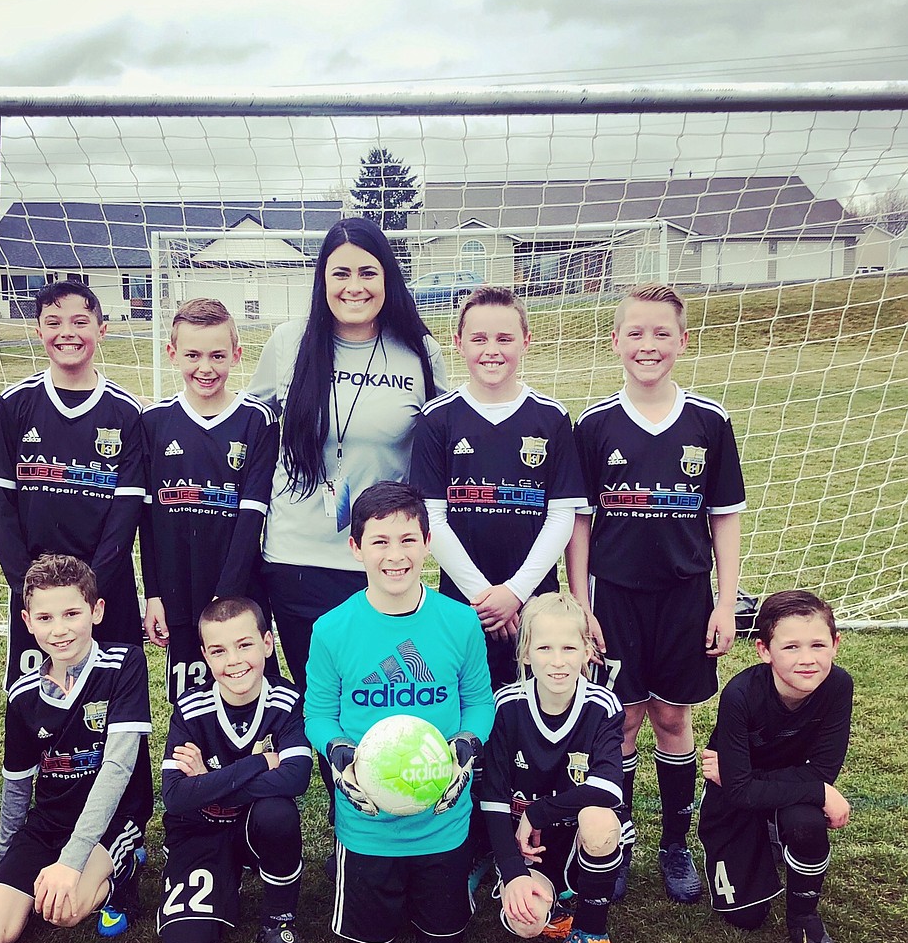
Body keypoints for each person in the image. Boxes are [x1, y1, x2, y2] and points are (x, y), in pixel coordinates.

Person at [566, 282, 745, 904]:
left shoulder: (709, 421)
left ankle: (675, 843)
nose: (648, 345)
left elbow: (723, 515)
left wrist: (726, 602)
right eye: (635, 333)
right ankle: (617, 844)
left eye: (662, 333)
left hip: (685, 596)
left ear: (682, 341)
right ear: (615, 342)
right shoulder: (593, 426)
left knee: (672, 717)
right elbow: (580, 521)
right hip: (613, 597)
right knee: (622, 724)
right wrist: (581, 605)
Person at [248, 217, 447, 691]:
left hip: (384, 558)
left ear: (388, 278)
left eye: (367, 272)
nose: (353, 286)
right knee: (317, 701)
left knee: (381, 696)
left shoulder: (420, 351)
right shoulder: (288, 343)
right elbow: (249, 430)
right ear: (321, 279)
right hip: (297, 557)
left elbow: (448, 444)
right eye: (340, 273)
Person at [303, 481, 494, 943]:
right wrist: (340, 754)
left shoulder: (460, 621)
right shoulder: (330, 630)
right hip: (367, 826)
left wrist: (467, 745)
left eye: (408, 540)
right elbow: (319, 714)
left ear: (428, 543)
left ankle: (454, 877)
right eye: (380, 541)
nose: (396, 555)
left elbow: (479, 702)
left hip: (443, 821)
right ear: (356, 548)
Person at [0, 553, 153, 943]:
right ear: (28, 621)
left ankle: (123, 873)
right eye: (46, 618)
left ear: (96, 611)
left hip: (115, 818)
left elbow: (118, 769)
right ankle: (40, 881)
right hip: (50, 822)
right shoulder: (23, 694)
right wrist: (4, 865)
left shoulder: (124, 665)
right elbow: (16, 785)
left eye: (71, 613)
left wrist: (71, 861)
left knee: (64, 913)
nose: (60, 629)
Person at [411, 286, 587, 689]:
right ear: (458, 343)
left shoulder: (552, 417)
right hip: (464, 603)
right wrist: (484, 597)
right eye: (479, 338)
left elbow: (562, 515)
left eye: (505, 338)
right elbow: (431, 518)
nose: (492, 349)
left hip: (537, 600)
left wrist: (515, 593)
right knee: (470, 709)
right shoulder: (437, 419)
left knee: (537, 706)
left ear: (526, 341)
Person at [0, 280, 145, 690]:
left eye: (80, 321)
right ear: (39, 331)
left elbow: (125, 516)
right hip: (36, 593)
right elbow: (1, 507)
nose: (67, 332)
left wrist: (90, 592)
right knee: (38, 700)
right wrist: (27, 588)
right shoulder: (15, 403)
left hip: (107, 590)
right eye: (53, 322)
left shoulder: (126, 411)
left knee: (115, 700)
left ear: (101, 330)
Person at [698, 590, 851, 943]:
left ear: (835, 643)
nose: (807, 658)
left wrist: (747, 777)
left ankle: (804, 918)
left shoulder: (838, 686)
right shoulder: (740, 695)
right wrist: (815, 790)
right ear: (764, 650)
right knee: (746, 916)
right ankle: (764, 833)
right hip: (734, 801)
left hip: (765, 787)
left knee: (806, 821)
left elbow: (823, 772)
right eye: (791, 646)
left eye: (818, 644)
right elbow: (737, 793)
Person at [157, 597, 312, 943]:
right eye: (219, 651)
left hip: (254, 827)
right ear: (206, 657)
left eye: (244, 645)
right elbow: (175, 797)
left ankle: (279, 919)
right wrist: (259, 763)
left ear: (267, 643)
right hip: (200, 830)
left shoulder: (287, 700)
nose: (234, 661)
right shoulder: (190, 707)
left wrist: (206, 784)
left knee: (278, 812)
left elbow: (296, 778)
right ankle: (224, 881)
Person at [141, 298, 280, 704]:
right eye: (193, 355)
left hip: (240, 586)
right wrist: (153, 594)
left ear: (236, 355)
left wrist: (228, 593)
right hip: (177, 586)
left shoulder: (257, 420)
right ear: (173, 354)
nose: (206, 367)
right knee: (191, 701)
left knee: (250, 688)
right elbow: (147, 523)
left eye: (218, 355)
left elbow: (253, 514)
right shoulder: (153, 422)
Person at [480, 593, 625, 943]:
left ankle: (591, 933)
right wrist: (512, 873)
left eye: (569, 648)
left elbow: (609, 789)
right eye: (544, 648)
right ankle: (554, 910)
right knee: (523, 923)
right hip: (533, 847)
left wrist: (537, 811)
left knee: (599, 819)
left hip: (578, 836)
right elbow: (492, 797)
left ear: (586, 652)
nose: (558, 661)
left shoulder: (603, 705)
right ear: (525, 653)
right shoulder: (506, 706)